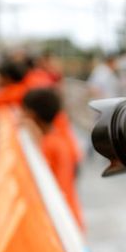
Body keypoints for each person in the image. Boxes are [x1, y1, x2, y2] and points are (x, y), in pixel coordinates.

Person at [21, 88, 84, 228]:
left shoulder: (49, 146)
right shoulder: (57, 139)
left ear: (31, 115)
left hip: (61, 222)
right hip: (69, 217)